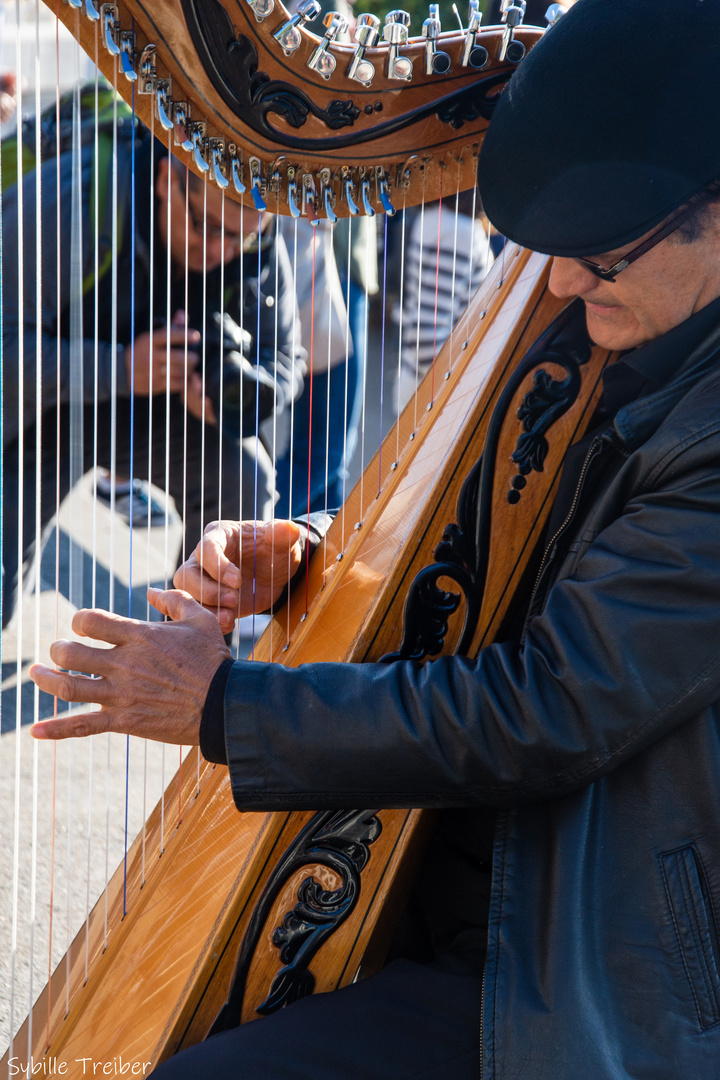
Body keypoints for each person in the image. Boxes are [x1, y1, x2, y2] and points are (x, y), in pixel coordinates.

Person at [27, 0, 720, 1076]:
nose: (562, 284)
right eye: (550, 250)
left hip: (576, 949)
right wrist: (315, 552)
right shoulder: (645, 325)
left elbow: (552, 706)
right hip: (477, 883)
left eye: (604, 258)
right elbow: (507, 540)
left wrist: (220, 704)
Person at [1, 122, 303, 625]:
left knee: (246, 480)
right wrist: (120, 368)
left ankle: (190, 653)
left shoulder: (256, 243)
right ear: (166, 179)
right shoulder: (70, 202)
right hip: (44, 410)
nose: (221, 251)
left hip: (168, 412)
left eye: (241, 238)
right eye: (205, 226)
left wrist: (221, 397)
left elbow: (287, 363)